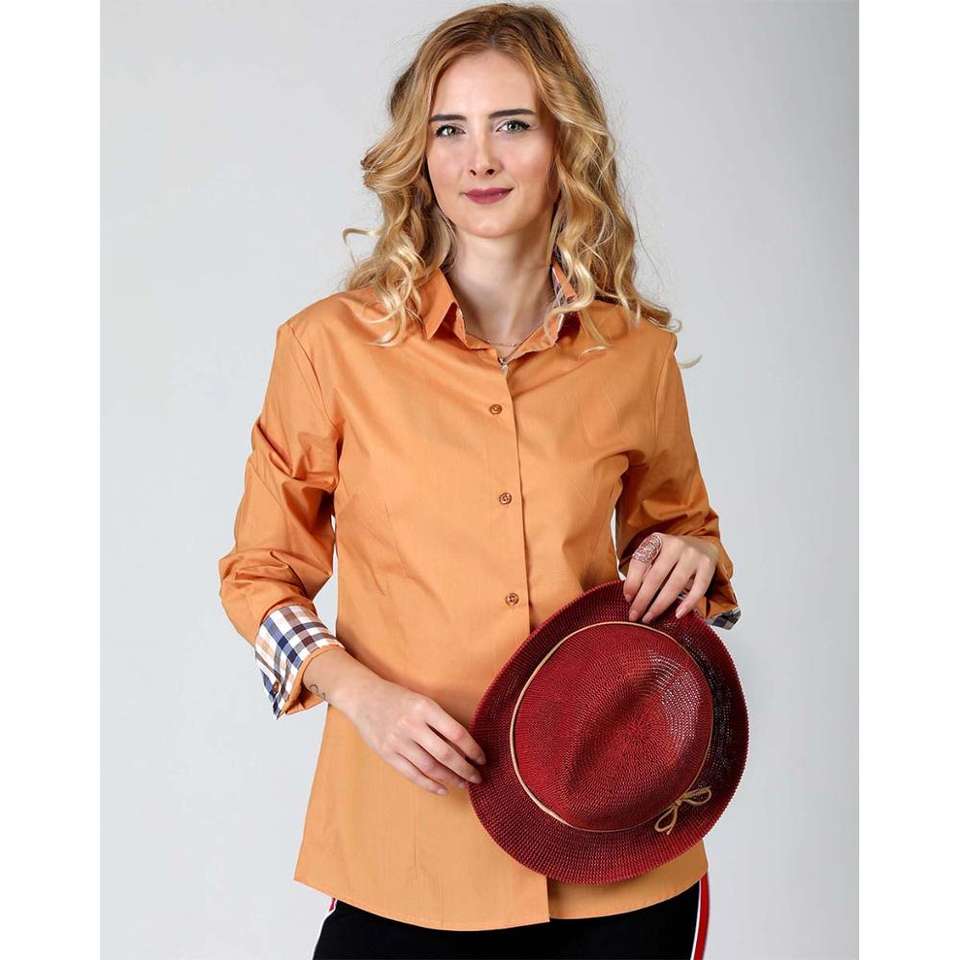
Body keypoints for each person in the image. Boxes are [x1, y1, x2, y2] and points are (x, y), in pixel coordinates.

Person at [217, 4, 741, 958]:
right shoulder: (328, 349)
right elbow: (259, 575)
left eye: (513, 124)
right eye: (450, 130)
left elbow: (683, 530)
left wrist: (694, 556)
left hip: (618, 848)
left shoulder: (636, 354)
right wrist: (360, 695)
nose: (480, 160)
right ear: (419, 155)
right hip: (410, 848)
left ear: (564, 142)